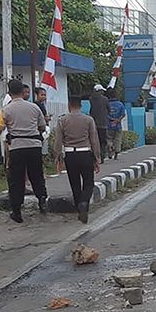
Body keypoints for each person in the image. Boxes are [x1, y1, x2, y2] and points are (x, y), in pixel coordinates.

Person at [0, 79, 48, 223]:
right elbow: (42, 127)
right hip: (34, 146)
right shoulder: (34, 108)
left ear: (9, 92)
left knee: (16, 179)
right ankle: (42, 200)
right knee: (36, 175)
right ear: (22, 92)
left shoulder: (5, 110)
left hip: (17, 147)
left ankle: (16, 211)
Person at [54, 95, 101, 223]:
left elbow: (58, 141)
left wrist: (58, 157)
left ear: (69, 106)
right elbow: (94, 140)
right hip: (85, 153)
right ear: (81, 105)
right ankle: (84, 202)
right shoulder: (88, 120)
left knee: (74, 183)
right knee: (88, 182)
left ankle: (79, 208)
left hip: (70, 155)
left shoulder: (62, 120)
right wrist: (97, 158)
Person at [89, 84, 110, 164]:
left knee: (93, 141)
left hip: (93, 124)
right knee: (102, 142)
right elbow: (109, 109)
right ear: (99, 91)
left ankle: (95, 156)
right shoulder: (105, 99)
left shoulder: (91, 99)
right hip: (103, 124)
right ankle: (102, 156)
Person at [105, 89, 126, 160]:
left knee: (108, 139)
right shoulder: (120, 104)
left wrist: (111, 119)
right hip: (118, 125)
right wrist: (117, 120)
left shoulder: (107, 103)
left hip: (108, 124)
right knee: (117, 139)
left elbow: (105, 114)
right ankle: (116, 154)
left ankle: (110, 150)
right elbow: (123, 114)